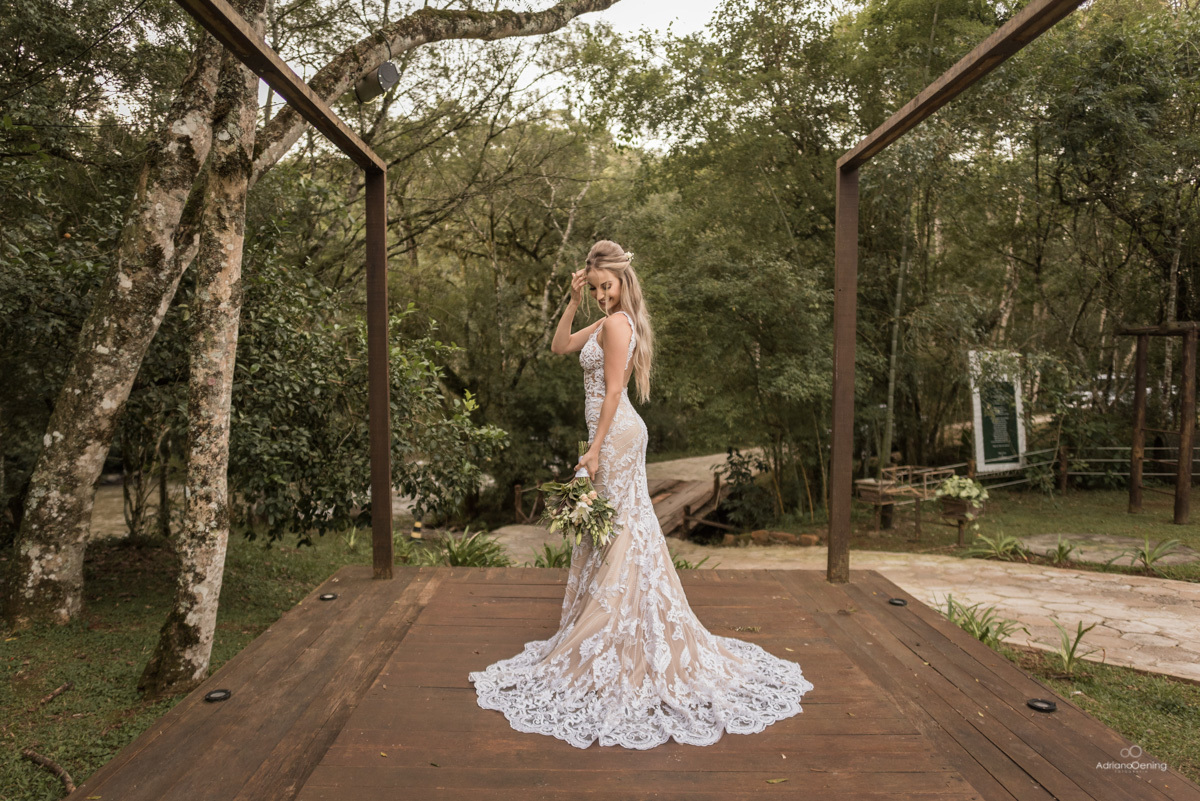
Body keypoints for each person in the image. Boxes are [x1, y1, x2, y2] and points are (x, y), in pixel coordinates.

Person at [468, 239, 814, 749]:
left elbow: (610, 391)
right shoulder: (609, 318)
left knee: (619, 527)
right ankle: (614, 620)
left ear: (624, 281)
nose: (604, 294)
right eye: (597, 287)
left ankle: (621, 627)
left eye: (608, 286)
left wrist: (594, 449)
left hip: (615, 433)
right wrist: (572, 298)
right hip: (614, 432)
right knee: (617, 527)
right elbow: (559, 347)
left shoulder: (618, 323)